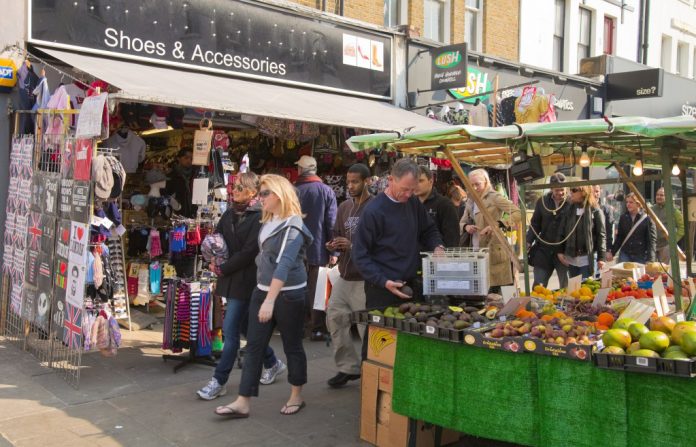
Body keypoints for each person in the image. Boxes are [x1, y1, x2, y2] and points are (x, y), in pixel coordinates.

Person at [215, 174, 313, 418]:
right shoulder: (267, 220)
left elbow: (284, 263)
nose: (260, 198)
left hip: (288, 294)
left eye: (265, 193)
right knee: (254, 347)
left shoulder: (294, 225)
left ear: (279, 195)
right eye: (260, 193)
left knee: (292, 345)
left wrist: (270, 300)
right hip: (262, 289)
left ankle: (296, 395)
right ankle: (243, 401)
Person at [196, 173, 285, 401]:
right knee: (246, 328)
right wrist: (214, 256)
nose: (233, 190)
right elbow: (218, 237)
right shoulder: (228, 213)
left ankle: (219, 379)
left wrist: (223, 268)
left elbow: (249, 252)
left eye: (239, 187)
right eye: (233, 187)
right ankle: (272, 362)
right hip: (229, 278)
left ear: (252, 192)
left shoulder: (259, 217)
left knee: (231, 329)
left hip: (248, 280)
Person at [352, 158, 444, 309]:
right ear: (390, 180)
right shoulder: (373, 211)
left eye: (413, 190)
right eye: (405, 189)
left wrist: (437, 246)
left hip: (411, 285)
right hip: (382, 290)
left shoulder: (413, 203)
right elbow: (359, 255)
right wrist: (383, 281)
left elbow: (429, 230)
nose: (409, 194)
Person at [325, 164, 373, 388]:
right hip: (345, 275)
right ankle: (348, 367)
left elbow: (382, 244)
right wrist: (333, 244)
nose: (351, 186)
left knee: (366, 328)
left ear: (368, 181)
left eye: (355, 181)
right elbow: (337, 234)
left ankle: (372, 370)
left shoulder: (376, 207)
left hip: (366, 278)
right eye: (348, 182)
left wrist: (353, 246)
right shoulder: (344, 207)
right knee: (335, 318)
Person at [294, 155, 337, 342]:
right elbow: (332, 223)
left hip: (294, 248)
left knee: (296, 287)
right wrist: (334, 251)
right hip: (319, 248)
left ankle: (298, 325)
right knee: (317, 289)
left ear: (300, 170)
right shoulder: (326, 191)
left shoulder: (292, 191)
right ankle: (317, 328)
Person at [460, 169, 521, 293]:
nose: (474, 188)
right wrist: (467, 227)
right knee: (481, 291)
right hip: (476, 249)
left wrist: (497, 224)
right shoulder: (470, 200)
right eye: (471, 185)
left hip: (494, 248)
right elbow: (461, 222)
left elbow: (518, 213)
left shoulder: (494, 197)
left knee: (498, 291)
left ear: (486, 182)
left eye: (477, 184)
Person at [527, 173, 569, 288]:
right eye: (557, 190)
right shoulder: (542, 202)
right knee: (538, 286)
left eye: (562, 189)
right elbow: (535, 224)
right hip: (544, 250)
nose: (560, 193)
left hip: (564, 252)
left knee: (566, 287)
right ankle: (536, 305)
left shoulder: (571, 202)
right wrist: (528, 241)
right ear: (551, 189)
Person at [557, 185, 607, 279]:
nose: (571, 192)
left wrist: (602, 257)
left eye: (574, 190)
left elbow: (601, 235)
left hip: (588, 258)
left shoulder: (595, 211)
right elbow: (562, 231)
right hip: (572, 259)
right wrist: (560, 251)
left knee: (586, 288)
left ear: (583, 192)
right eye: (571, 190)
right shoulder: (569, 210)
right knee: (575, 290)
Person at [415, 166, 460, 248]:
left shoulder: (444, 204)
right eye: (414, 181)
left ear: (430, 181)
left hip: (436, 257)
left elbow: (452, 239)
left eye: (420, 181)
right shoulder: (409, 203)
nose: (416, 184)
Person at [609, 192, 656, 264]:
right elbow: (620, 237)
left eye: (631, 202)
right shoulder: (623, 217)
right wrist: (612, 252)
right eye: (627, 202)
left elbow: (651, 240)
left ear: (638, 203)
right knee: (623, 274)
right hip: (625, 254)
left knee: (639, 275)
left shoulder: (647, 218)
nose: (628, 204)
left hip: (640, 255)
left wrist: (651, 259)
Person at [652, 187, 684, 263]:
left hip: (666, 245)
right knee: (651, 270)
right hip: (652, 245)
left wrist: (673, 240)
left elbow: (682, 227)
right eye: (657, 195)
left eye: (662, 195)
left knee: (664, 271)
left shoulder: (674, 210)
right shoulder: (651, 209)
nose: (659, 197)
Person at [165, 148, 197, 218]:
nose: (189, 160)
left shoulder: (196, 175)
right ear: (178, 158)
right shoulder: (172, 176)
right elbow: (167, 196)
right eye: (186, 158)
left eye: (191, 158)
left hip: (193, 214)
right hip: (176, 214)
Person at [593, 185, 616, 256]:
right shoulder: (583, 208)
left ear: (600, 192)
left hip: (600, 248)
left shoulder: (607, 209)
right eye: (592, 191)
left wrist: (608, 249)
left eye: (597, 191)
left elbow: (609, 231)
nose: (595, 194)